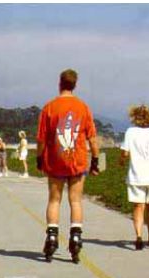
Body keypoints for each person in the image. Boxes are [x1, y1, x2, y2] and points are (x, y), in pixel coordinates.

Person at [36, 68, 100, 263]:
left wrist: (39, 158)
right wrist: (95, 160)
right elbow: (92, 138)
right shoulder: (83, 107)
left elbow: (41, 139)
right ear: (75, 84)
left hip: (55, 161)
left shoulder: (49, 107)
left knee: (54, 200)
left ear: (60, 83)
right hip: (77, 160)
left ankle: (52, 236)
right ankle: (75, 235)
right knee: (76, 201)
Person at [119, 105, 149, 250]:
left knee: (138, 207)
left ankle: (139, 236)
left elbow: (125, 153)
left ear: (135, 118)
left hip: (136, 175)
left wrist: (121, 160)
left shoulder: (130, 132)